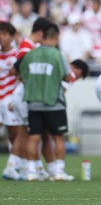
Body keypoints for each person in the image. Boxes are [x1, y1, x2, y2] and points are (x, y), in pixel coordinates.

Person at [19, 23, 74, 181]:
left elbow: (22, 75)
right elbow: (67, 76)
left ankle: (30, 172)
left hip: (33, 102)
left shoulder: (30, 54)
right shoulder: (58, 55)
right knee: (58, 137)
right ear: (56, 37)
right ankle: (59, 171)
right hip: (54, 103)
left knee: (33, 137)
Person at [1, 22, 25, 180]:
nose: (1, 38)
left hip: (9, 99)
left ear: (11, 36)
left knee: (14, 134)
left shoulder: (18, 55)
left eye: (4, 34)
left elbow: (23, 78)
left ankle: (15, 166)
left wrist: (16, 98)